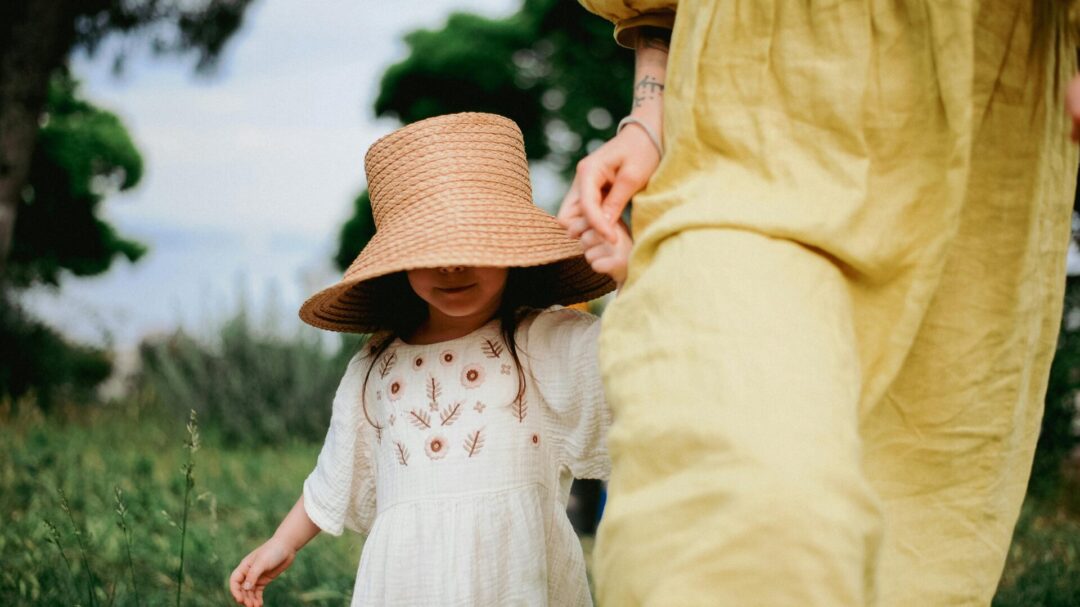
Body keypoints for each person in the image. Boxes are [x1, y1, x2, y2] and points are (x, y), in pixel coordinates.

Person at [559, 2, 1080, 605]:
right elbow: (658, 9)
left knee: (915, 528)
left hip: (977, 145)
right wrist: (651, 116)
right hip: (741, 122)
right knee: (735, 483)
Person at [229, 112, 630, 606]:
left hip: (512, 577)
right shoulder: (377, 363)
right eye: (428, 248)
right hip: (407, 581)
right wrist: (281, 543)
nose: (452, 265)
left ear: (510, 248)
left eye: (473, 244)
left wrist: (630, 278)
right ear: (397, 261)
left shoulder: (544, 340)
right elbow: (337, 472)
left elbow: (631, 360)